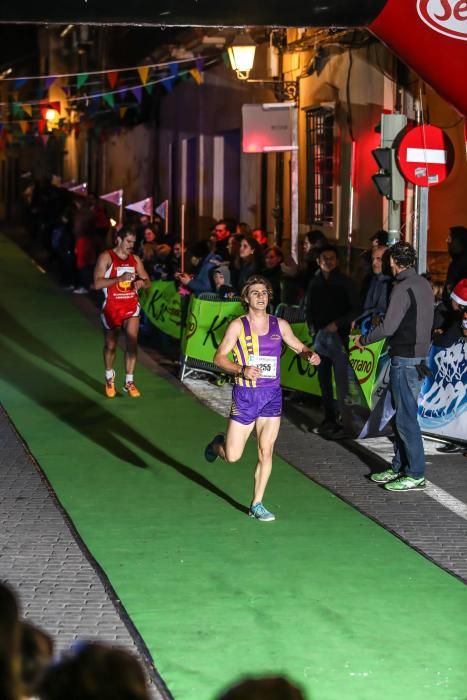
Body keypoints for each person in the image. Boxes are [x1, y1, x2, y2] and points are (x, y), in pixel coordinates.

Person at [204, 275, 320, 521]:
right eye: (255, 293)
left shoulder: (280, 325)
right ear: (246, 298)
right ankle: (217, 445)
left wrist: (310, 355)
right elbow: (219, 358)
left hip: (271, 396)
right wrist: (241, 369)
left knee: (266, 452)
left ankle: (257, 504)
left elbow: (299, 347)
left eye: (264, 293)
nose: (261, 296)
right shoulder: (238, 326)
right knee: (233, 456)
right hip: (246, 395)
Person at [354, 241, 434, 491]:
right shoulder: (423, 284)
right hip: (419, 358)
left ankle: (415, 472)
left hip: (405, 359)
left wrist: (364, 339)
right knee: (403, 414)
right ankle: (400, 466)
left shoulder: (402, 287)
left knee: (405, 418)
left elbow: (388, 327)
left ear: (392, 261)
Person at [305, 244, 360, 438]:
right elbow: (308, 306)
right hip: (320, 339)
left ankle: (346, 422)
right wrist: (312, 327)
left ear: (337, 261)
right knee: (324, 382)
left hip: (340, 339)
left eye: (331, 258)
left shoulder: (345, 282)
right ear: (318, 261)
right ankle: (329, 418)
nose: (328, 261)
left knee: (342, 382)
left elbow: (355, 308)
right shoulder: (315, 282)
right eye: (324, 258)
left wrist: (338, 323)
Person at [93, 228, 150, 398]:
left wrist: (141, 283)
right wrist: (119, 279)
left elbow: (147, 281)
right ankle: (109, 376)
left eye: (133, 242)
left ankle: (129, 381)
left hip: (131, 305)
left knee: (132, 342)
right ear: (118, 239)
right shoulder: (106, 257)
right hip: (112, 306)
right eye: (128, 242)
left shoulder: (135, 259)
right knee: (111, 345)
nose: (131, 246)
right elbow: (97, 284)